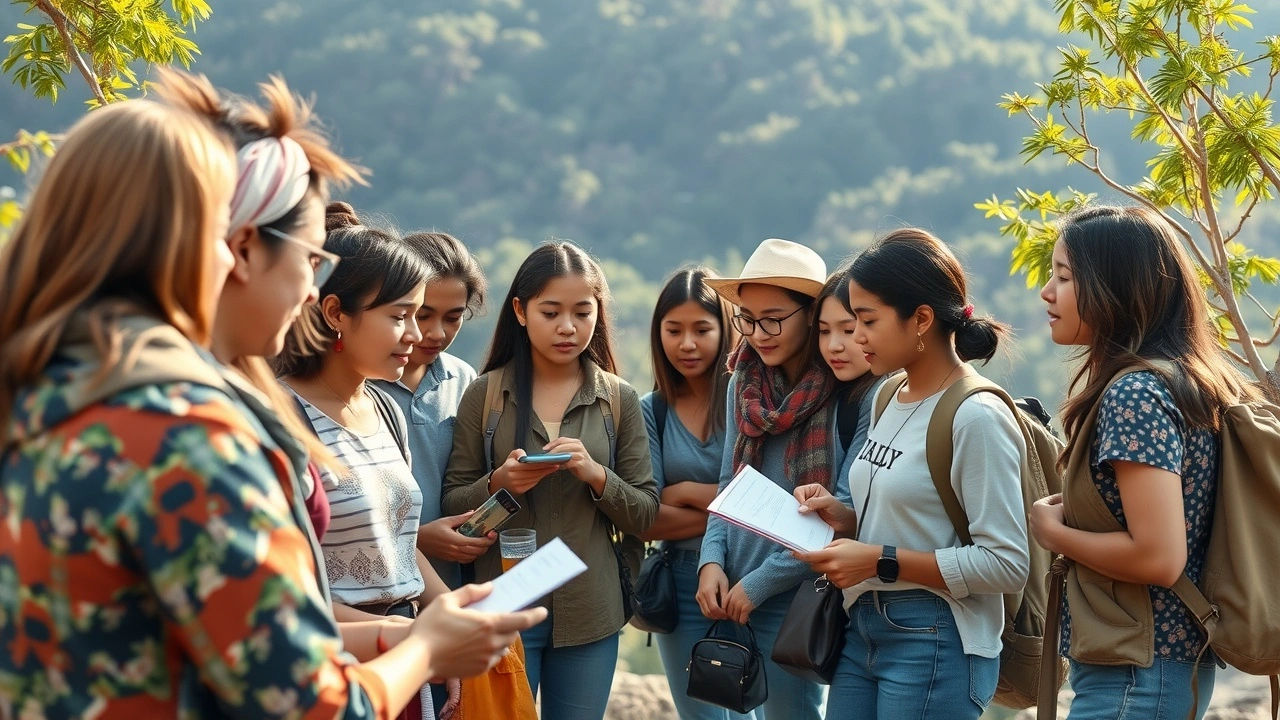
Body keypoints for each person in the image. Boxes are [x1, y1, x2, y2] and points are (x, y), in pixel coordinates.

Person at [0, 94, 544, 719]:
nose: (314, 288)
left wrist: (404, 635)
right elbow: (314, 706)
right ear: (240, 245)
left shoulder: (52, 396)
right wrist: (424, 653)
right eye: (311, 258)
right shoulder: (188, 436)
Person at [1029, 206, 1255, 720]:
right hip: (1153, 666)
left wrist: (1053, 532)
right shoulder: (1179, 380)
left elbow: (1158, 557)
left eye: (1063, 276)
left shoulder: (1136, 392)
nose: (1046, 292)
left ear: (1117, 287)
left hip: (1139, 673)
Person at [794, 228, 1030, 720]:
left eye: (868, 320)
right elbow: (908, 516)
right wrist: (844, 517)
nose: (856, 336)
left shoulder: (976, 416)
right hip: (862, 628)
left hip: (937, 638)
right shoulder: (886, 395)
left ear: (921, 318)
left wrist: (879, 560)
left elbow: (1006, 563)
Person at [443, 241, 659, 720]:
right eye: (551, 312)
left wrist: (596, 475)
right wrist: (501, 483)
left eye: (582, 312)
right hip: (502, 606)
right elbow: (453, 504)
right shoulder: (486, 396)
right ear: (520, 311)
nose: (568, 327)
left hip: (591, 607)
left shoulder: (617, 400)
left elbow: (646, 512)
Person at [273, 202, 450, 720]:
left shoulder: (384, 408)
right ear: (334, 314)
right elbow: (287, 594)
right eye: (399, 316)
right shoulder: (283, 420)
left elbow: (400, 541)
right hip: (341, 669)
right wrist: (411, 637)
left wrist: (446, 612)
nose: (416, 335)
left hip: (408, 663)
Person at [698, 238, 848, 720]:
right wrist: (710, 562)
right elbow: (730, 484)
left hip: (797, 600)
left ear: (811, 315)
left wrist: (760, 584)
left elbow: (839, 513)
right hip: (736, 594)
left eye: (773, 318)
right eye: (747, 317)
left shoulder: (849, 392)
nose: (758, 333)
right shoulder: (744, 385)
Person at [637, 266, 739, 720]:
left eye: (702, 329)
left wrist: (685, 491)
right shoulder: (651, 410)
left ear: (726, 329)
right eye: (673, 330)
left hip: (752, 577)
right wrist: (730, 505)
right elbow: (649, 516)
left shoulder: (747, 400)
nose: (687, 344)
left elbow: (772, 498)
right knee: (701, 714)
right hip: (679, 582)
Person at [372, 231, 489, 590]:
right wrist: (418, 538)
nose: (436, 333)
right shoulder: (362, 384)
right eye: (423, 315)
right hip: (380, 587)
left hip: (453, 584)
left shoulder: (464, 379)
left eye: (453, 317)